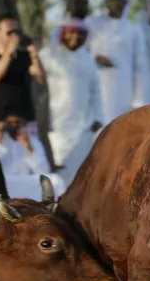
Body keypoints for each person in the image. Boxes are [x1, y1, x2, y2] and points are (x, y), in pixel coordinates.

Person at [39, 18, 103, 183]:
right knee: (58, 171)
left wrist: (98, 117)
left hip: (83, 124)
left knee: (80, 171)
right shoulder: (48, 56)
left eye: (81, 34)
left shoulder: (88, 59)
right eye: (71, 32)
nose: (76, 37)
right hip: (56, 124)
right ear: (62, 34)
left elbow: (96, 90)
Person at [0, 14, 48, 163]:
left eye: (17, 32)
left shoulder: (24, 58)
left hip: (26, 122)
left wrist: (34, 56)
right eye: (9, 32)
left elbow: (41, 78)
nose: (14, 36)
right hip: (0, 124)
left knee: (35, 164)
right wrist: (9, 51)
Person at [86, 0, 146, 123]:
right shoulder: (92, 23)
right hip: (97, 83)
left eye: (120, 2)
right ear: (107, 3)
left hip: (122, 86)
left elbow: (140, 66)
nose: (117, 5)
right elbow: (82, 52)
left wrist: (138, 101)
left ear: (125, 4)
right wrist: (95, 59)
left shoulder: (133, 28)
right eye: (112, 2)